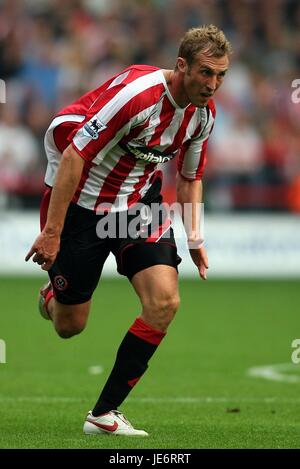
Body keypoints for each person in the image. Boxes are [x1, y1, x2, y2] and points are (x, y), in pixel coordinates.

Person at [26, 24, 231, 437]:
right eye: (206, 73)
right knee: (70, 325)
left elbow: (190, 178)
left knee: (165, 302)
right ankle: (53, 296)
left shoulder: (203, 117)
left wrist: (194, 237)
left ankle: (104, 413)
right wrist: (52, 231)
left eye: (221, 75)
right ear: (181, 66)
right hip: (82, 204)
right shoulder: (137, 96)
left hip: (137, 204)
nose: (213, 85)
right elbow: (73, 156)